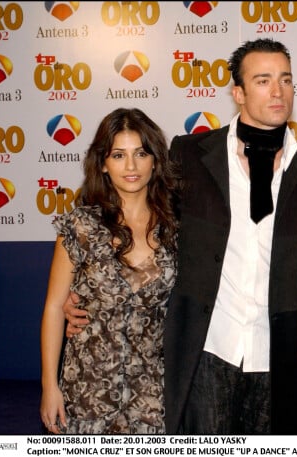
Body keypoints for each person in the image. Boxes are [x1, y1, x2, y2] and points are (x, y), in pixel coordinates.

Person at [63, 39, 297, 434]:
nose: (277, 90)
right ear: (238, 93)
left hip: (278, 356)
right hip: (208, 349)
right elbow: (130, 211)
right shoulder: (190, 154)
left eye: (285, 79)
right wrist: (84, 289)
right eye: (263, 80)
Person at [40, 108, 180, 434]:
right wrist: (50, 386)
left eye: (141, 154)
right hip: (87, 389)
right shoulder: (80, 227)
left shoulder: (178, 229)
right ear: (103, 163)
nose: (131, 166)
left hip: (154, 394)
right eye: (119, 155)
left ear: (156, 161)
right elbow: (53, 308)